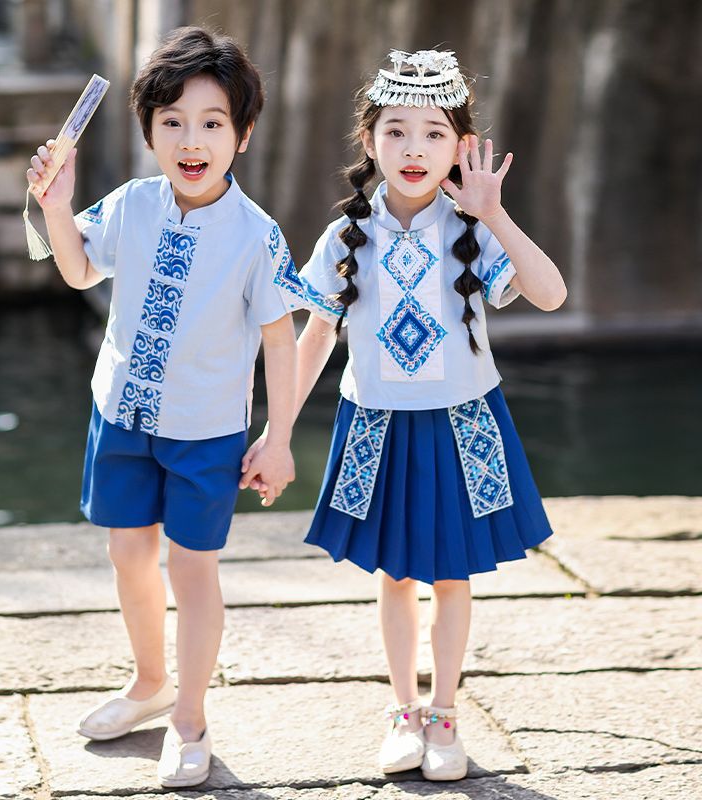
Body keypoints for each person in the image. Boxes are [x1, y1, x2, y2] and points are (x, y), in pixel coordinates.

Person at [242, 48, 567, 781]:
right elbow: (316, 335)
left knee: (453, 576)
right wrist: (278, 431)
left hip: (462, 423)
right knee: (392, 575)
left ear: (459, 146)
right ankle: (402, 709)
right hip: (375, 424)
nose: (413, 149)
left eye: (432, 133)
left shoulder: (473, 228)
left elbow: (549, 294)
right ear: (369, 142)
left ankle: (445, 712)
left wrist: (495, 212)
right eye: (395, 131)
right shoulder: (342, 238)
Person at [26, 26, 297, 788]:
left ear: (241, 136)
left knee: (195, 569)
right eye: (172, 120)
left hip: (207, 431)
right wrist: (56, 202)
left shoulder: (257, 236)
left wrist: (277, 439)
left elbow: (281, 340)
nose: (191, 139)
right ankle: (148, 683)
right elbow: (78, 270)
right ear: (148, 128)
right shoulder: (133, 204)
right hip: (120, 413)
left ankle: (190, 716)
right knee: (126, 554)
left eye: (213, 122)